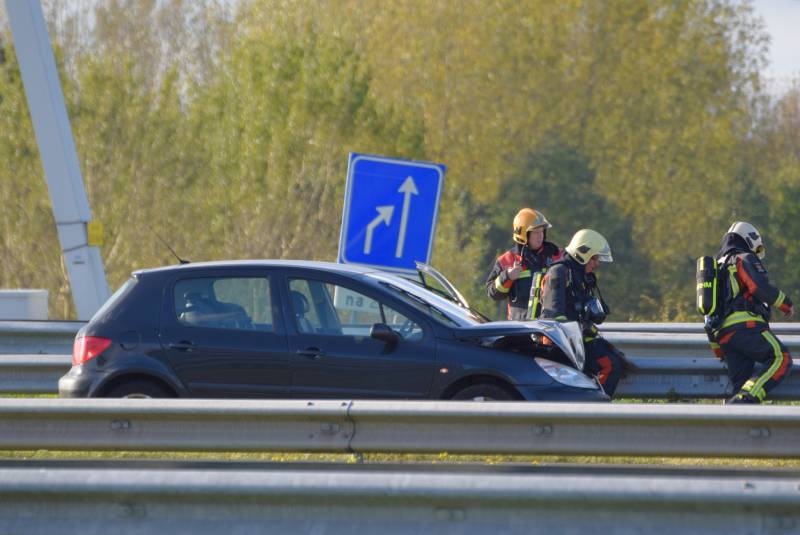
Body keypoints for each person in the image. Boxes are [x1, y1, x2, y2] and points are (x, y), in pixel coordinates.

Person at [706, 221, 794, 404]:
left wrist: (717, 348)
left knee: (740, 385)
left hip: (725, 337)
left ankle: (736, 416)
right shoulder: (743, 257)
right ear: (749, 239)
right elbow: (758, 286)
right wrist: (786, 304)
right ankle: (747, 399)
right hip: (747, 328)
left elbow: (707, 313)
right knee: (780, 357)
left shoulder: (715, 268)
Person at [537, 229, 624, 397]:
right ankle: (594, 410)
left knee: (612, 362)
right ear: (582, 253)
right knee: (609, 365)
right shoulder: (560, 272)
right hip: (562, 345)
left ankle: (593, 408)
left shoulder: (580, 274)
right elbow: (553, 317)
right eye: (594, 258)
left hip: (578, 340)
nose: (596, 263)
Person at [485, 208, 562, 321]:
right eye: (535, 232)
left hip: (550, 329)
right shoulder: (507, 260)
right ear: (523, 234)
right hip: (520, 329)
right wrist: (507, 276)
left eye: (542, 231)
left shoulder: (557, 256)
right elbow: (492, 293)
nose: (540, 236)